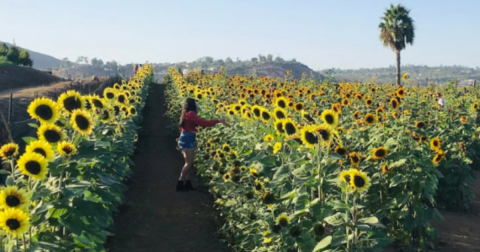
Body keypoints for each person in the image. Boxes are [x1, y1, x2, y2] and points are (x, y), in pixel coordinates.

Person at [176, 98, 229, 191]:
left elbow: (197, 124)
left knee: (190, 163)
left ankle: (188, 183)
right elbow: (203, 123)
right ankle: (180, 183)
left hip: (187, 137)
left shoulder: (186, 114)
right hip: (187, 139)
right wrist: (218, 121)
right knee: (188, 163)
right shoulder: (191, 113)